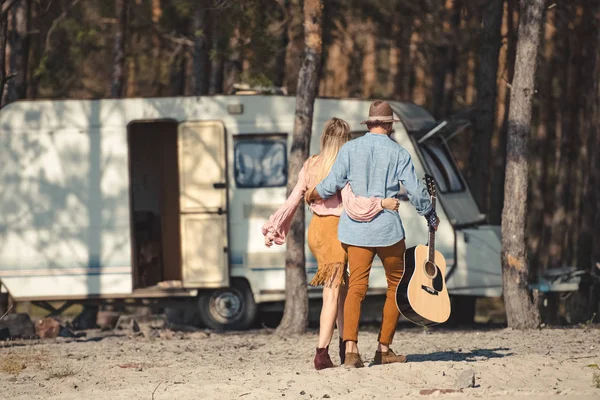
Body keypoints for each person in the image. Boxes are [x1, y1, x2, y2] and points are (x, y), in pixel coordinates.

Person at [307, 101, 439, 368]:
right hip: (388, 231)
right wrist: (429, 214)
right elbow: (414, 190)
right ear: (390, 125)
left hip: (355, 232)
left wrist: (313, 193)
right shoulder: (399, 153)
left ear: (369, 124)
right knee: (396, 286)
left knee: (356, 288)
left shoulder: (350, 149)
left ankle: (352, 351)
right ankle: (383, 348)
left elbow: (332, 183)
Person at [261, 117, 399, 370]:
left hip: (317, 231)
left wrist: (274, 226)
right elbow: (353, 204)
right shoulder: (343, 165)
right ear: (345, 141)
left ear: (324, 138)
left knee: (342, 291)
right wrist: (381, 204)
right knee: (333, 293)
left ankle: (346, 347)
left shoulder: (311, 163)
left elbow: (293, 200)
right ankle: (321, 353)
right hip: (335, 232)